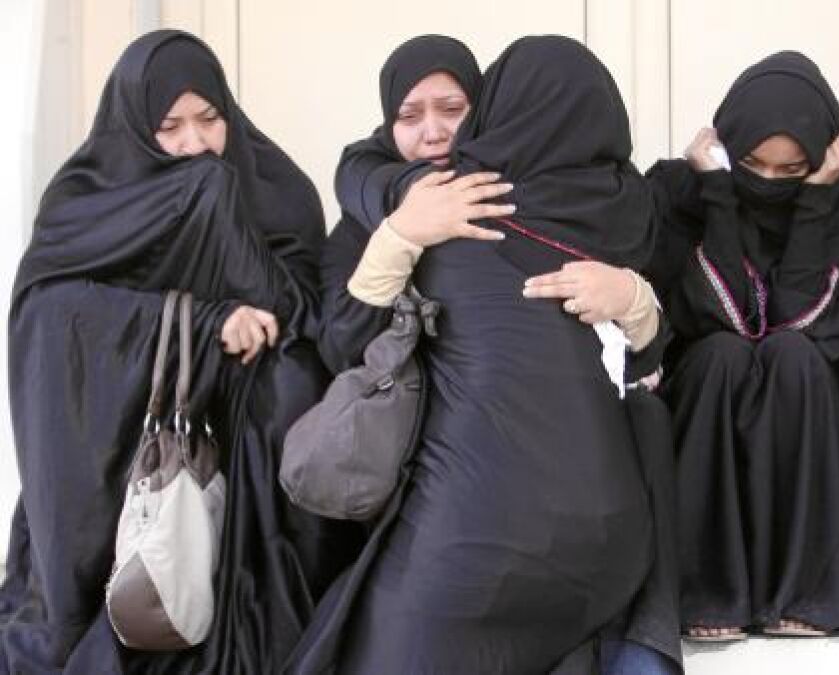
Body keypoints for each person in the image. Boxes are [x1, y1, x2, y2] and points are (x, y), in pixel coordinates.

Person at [286, 35, 679, 673]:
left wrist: (635, 300)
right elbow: (343, 344)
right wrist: (399, 229)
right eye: (410, 115)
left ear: (489, 109)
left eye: (453, 109)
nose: (434, 131)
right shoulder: (620, 214)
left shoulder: (490, 218)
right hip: (588, 538)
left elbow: (639, 368)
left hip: (474, 534)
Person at [0, 30, 355, 673]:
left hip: (243, 424)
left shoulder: (275, 188)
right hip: (134, 436)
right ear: (136, 127)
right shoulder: (85, 198)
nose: (196, 144)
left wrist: (217, 211)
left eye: (210, 119)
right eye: (170, 127)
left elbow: (301, 312)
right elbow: (48, 318)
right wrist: (199, 321)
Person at [645, 51, 839, 640]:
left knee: (792, 355)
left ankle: (811, 590)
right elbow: (717, 315)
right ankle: (706, 591)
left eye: (791, 170)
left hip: (812, 406)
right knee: (722, 353)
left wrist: (815, 201)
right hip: (706, 401)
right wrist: (718, 194)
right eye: (752, 165)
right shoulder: (676, 191)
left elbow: (803, 324)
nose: (769, 182)